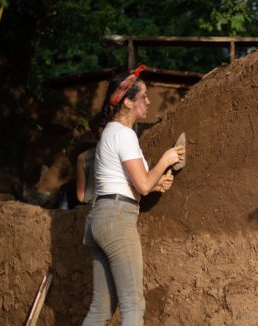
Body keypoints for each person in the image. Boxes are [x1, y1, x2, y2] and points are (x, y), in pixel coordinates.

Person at [82, 65, 184, 325]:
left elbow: (135, 183)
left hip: (99, 217)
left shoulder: (109, 133)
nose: (149, 101)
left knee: (100, 309)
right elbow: (143, 185)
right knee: (133, 305)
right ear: (127, 101)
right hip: (117, 219)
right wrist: (166, 159)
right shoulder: (125, 135)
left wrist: (158, 182)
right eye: (143, 97)